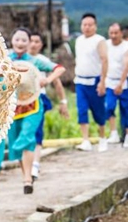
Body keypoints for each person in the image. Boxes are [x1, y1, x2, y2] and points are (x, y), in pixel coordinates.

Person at [8, 28, 65, 194]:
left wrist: (47, 80)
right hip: (12, 107)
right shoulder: (5, 60)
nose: (20, 43)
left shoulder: (35, 61)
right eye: (17, 39)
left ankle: (27, 179)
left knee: (27, 137)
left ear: (28, 43)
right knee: (16, 143)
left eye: (24, 40)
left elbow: (59, 68)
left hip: (33, 106)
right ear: (12, 41)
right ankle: (25, 175)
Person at [28, 32, 69, 179]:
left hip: (37, 99)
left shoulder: (42, 61)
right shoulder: (17, 59)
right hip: (19, 101)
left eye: (37, 41)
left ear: (41, 45)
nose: (33, 44)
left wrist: (63, 102)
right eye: (31, 41)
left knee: (36, 131)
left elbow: (57, 81)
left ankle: (35, 165)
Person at [73, 13, 108, 152]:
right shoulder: (78, 40)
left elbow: (104, 60)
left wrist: (102, 81)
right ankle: (85, 140)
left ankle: (102, 138)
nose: (87, 27)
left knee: (99, 111)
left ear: (95, 26)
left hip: (95, 80)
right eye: (84, 25)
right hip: (80, 81)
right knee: (82, 110)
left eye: (90, 25)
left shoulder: (99, 40)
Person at [103, 23, 128, 148]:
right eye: (111, 33)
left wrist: (121, 84)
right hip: (109, 81)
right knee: (108, 107)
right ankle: (113, 132)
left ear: (121, 33)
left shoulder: (127, 47)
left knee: (127, 110)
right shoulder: (106, 45)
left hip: (125, 83)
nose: (113, 36)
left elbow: (126, 65)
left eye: (116, 33)